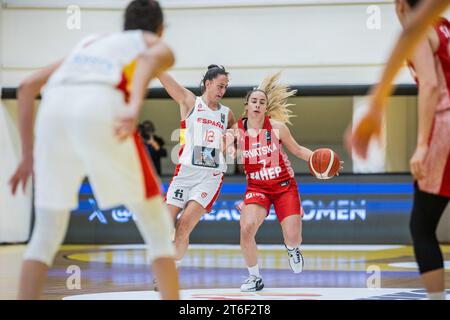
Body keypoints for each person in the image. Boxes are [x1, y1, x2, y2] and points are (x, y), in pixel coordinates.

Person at [8, 0, 179, 300]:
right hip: (101, 106)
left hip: (52, 112)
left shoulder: (89, 44)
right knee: (156, 226)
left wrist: (26, 155)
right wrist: (134, 104)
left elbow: (26, 86)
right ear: (161, 29)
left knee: (45, 234)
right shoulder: (152, 44)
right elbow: (147, 61)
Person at [348, 0, 450, 300]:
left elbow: (430, 86)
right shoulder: (446, 28)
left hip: (444, 125)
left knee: (421, 226)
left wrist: (421, 146)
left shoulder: (420, 30)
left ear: (401, 5)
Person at [227, 73, 342, 292]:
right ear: (247, 105)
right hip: (257, 187)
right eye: (254, 101)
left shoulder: (277, 128)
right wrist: (229, 150)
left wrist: (325, 163)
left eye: (262, 102)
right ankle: (254, 277)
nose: (258, 104)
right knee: (246, 228)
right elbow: (226, 150)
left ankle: (292, 249)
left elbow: (298, 150)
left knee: (293, 237)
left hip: (284, 187)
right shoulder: (236, 130)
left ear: (266, 107)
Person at [158, 65, 236, 264]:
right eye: (219, 86)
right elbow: (166, 79)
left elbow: (236, 133)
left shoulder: (226, 114)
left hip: (209, 178)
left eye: (225, 87)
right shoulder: (190, 101)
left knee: (184, 226)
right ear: (207, 83)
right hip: (184, 173)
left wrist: (232, 140)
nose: (222, 91)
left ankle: (170, 268)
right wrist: (154, 64)